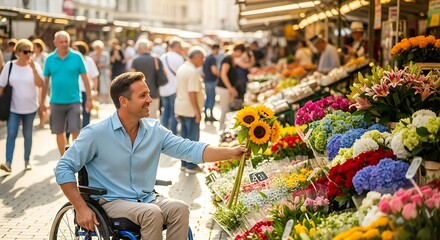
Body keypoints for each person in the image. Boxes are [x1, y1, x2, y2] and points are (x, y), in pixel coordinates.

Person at [54, 71, 248, 239]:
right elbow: (64, 167)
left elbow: (190, 149)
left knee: (179, 208)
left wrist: (231, 153)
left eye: (149, 94)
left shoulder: (154, 129)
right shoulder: (96, 133)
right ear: (123, 101)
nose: (150, 100)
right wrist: (80, 207)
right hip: (111, 201)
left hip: (146, 198)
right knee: (152, 213)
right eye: (143, 95)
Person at [40, 31, 93, 156]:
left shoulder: (77, 56)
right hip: (56, 101)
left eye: (66, 41)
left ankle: (76, 158)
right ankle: (64, 159)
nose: (64, 44)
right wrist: (42, 102)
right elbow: (45, 82)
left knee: (76, 130)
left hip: (74, 100)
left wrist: (90, 98)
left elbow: (85, 79)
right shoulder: (49, 59)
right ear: (55, 43)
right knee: (59, 132)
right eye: (61, 42)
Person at [0, 39, 44, 172]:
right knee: (11, 133)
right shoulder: (10, 65)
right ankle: (8, 162)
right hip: (13, 108)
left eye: (31, 51)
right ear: (18, 52)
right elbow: (1, 85)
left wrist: (34, 69)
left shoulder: (35, 66)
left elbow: (41, 84)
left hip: (30, 108)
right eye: (26, 52)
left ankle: (27, 161)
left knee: (28, 135)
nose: (29, 54)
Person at [175, 47, 206, 173]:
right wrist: (197, 112)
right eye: (202, 58)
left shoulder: (183, 67)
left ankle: (184, 164)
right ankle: (191, 166)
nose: (203, 61)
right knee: (192, 139)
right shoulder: (192, 71)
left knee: (184, 138)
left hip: (181, 107)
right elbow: (191, 93)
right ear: (197, 57)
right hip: (190, 109)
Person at [66, 41, 99, 142]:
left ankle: (85, 136)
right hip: (73, 91)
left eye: (75, 49)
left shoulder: (89, 61)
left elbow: (94, 76)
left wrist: (95, 90)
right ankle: (67, 135)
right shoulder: (70, 60)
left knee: (86, 113)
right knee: (70, 113)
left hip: (85, 91)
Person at [130, 38, 161, 119]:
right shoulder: (156, 59)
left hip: (139, 94)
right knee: (153, 118)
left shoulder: (136, 60)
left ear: (139, 48)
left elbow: (130, 76)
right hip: (154, 92)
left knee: (141, 119)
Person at [216, 43, 245, 130]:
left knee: (226, 109)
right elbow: (223, 75)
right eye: (241, 53)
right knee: (225, 110)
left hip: (226, 88)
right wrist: (231, 88)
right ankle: (222, 130)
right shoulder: (227, 59)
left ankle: (223, 129)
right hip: (223, 88)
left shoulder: (231, 59)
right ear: (239, 51)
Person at [159, 37, 185, 134]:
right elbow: (181, 75)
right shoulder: (179, 58)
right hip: (175, 88)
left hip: (163, 88)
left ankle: (163, 132)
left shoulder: (163, 57)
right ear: (177, 46)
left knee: (165, 111)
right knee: (174, 112)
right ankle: (172, 133)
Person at [32, 38, 50, 127]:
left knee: (44, 101)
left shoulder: (45, 57)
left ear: (39, 48)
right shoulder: (32, 57)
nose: (33, 49)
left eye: (34, 47)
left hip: (45, 83)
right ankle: (42, 119)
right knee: (39, 102)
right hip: (36, 83)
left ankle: (45, 118)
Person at [202, 44, 220, 122]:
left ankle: (206, 114)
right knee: (212, 98)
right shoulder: (212, 58)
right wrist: (220, 75)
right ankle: (210, 115)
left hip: (206, 80)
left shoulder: (207, 57)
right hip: (211, 80)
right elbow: (214, 70)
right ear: (215, 49)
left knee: (208, 98)